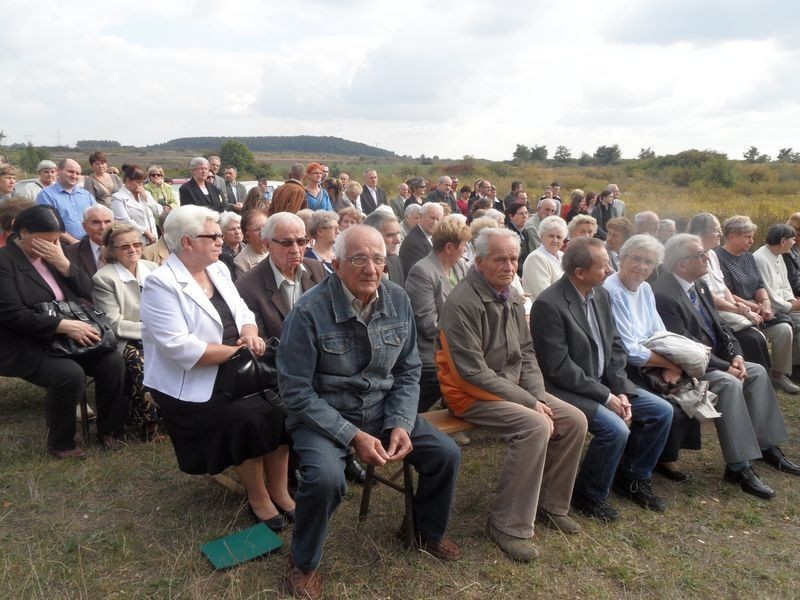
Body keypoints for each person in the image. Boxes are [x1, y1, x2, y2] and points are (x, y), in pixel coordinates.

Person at [277, 225, 462, 598]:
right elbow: (295, 392)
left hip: (381, 409)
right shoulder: (309, 312)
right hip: (323, 417)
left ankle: (423, 531)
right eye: (359, 258)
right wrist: (353, 436)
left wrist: (399, 422)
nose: (370, 268)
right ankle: (305, 562)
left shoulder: (398, 299)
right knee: (326, 479)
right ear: (336, 262)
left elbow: (408, 369)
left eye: (378, 259)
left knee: (446, 454)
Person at [437, 227, 587, 561]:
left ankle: (550, 504)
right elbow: (471, 373)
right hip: (468, 395)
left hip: (513, 389)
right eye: (500, 259)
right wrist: (531, 403)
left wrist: (538, 396)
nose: (509, 265)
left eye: (514, 258)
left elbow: (527, 352)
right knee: (535, 425)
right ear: (478, 262)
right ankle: (506, 524)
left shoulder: (511, 294)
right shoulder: (462, 302)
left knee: (574, 419)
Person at [141, 205, 294, 530]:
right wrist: (234, 352)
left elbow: (242, 311)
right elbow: (179, 348)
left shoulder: (219, 269)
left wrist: (250, 333)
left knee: (286, 403)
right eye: (212, 235)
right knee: (247, 416)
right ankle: (258, 496)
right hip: (193, 380)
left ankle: (280, 490)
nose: (221, 241)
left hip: (239, 365)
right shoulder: (160, 284)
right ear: (187, 242)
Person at [531, 237, 672, 520]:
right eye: (603, 266)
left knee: (661, 411)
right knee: (615, 429)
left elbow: (616, 346)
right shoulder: (549, 304)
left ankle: (632, 477)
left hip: (605, 384)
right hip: (565, 389)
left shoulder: (600, 295)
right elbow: (559, 368)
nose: (609, 271)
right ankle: (590, 494)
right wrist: (606, 397)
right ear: (580, 272)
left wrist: (619, 389)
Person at [652, 234, 800, 499]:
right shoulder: (663, 294)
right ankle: (739, 466)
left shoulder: (700, 285)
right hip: (685, 365)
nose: (706, 256)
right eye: (699, 254)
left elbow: (721, 328)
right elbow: (684, 345)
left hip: (714, 360)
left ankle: (767, 446)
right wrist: (724, 367)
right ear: (681, 264)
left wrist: (737, 357)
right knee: (730, 383)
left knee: (756, 372)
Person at [0, 205, 125, 458]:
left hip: (68, 336)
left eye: (56, 239)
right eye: (46, 240)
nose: (52, 245)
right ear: (23, 232)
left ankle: (110, 430)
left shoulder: (56, 255)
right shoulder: (5, 262)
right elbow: (11, 314)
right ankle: (61, 442)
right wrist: (63, 326)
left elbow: (86, 290)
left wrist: (65, 264)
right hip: (25, 341)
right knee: (69, 374)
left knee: (112, 361)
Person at [603, 235, 700, 481]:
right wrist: (670, 364)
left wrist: (674, 365)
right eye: (636, 259)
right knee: (666, 405)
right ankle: (635, 469)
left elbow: (659, 332)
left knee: (688, 394)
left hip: (650, 361)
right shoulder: (611, 291)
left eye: (648, 262)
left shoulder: (645, 289)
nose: (642, 267)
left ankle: (661, 457)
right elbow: (629, 350)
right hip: (622, 368)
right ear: (621, 259)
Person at [92, 222, 160, 440]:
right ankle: (149, 423)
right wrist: (151, 330)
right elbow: (114, 323)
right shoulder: (104, 278)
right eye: (125, 246)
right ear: (112, 250)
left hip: (158, 333)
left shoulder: (153, 269)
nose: (133, 249)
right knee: (141, 362)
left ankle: (177, 414)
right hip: (126, 340)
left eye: (137, 244)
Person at [715, 216, 796, 392]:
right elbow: (727, 293)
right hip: (736, 310)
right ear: (731, 236)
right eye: (747, 237)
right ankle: (757, 377)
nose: (752, 241)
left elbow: (759, 284)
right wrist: (754, 307)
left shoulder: (748, 257)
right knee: (755, 337)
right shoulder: (719, 258)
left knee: (784, 330)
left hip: (757, 307)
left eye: (752, 236)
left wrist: (765, 304)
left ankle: (779, 374)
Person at [405, 215, 470, 413]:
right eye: (464, 245)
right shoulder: (423, 272)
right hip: (430, 348)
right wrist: (463, 343)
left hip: (456, 341)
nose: (466, 250)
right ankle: (454, 410)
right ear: (449, 247)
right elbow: (427, 324)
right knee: (459, 369)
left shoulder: (460, 266)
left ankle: (458, 409)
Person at [236, 212, 325, 339]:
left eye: (301, 241)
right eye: (286, 243)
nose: (295, 249)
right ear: (267, 245)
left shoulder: (317, 269)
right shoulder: (247, 287)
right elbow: (263, 346)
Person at [754, 223, 800, 373]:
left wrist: (792, 301)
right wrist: (792, 307)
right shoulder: (761, 258)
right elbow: (768, 294)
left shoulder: (778, 255)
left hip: (784, 305)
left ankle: (795, 364)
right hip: (771, 309)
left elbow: (785, 285)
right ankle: (789, 369)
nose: (794, 242)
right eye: (793, 239)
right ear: (782, 241)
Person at [36, 159, 96, 244]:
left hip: (88, 244)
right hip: (62, 247)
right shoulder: (46, 195)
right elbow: (50, 226)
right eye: (70, 172)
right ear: (59, 171)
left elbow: (98, 218)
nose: (74, 176)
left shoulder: (86, 195)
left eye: (78, 173)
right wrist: (75, 243)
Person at [110, 165, 162, 246]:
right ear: (127, 180)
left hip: (153, 241)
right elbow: (124, 220)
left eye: (142, 182)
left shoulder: (146, 194)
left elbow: (159, 212)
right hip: (134, 242)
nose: (140, 185)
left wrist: (147, 198)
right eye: (138, 182)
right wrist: (145, 231)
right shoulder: (118, 197)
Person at [520, 215, 566, 300]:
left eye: (559, 237)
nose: (555, 240)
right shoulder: (536, 258)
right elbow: (545, 294)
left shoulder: (563, 256)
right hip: (544, 309)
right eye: (551, 236)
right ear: (541, 237)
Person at [64, 204, 114, 278]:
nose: (103, 227)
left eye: (107, 222)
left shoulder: (126, 248)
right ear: (84, 226)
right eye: (96, 222)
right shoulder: (70, 252)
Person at [399, 202, 443, 277]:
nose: (435, 222)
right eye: (432, 218)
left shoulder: (430, 237)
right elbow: (422, 274)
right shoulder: (414, 243)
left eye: (438, 219)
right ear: (421, 216)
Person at [364, 208, 405, 285]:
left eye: (398, 234)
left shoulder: (397, 262)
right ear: (371, 235)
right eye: (390, 235)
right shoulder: (357, 266)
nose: (398, 241)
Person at [234, 209, 269, 278]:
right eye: (256, 229)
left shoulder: (276, 249)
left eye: (266, 227)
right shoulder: (241, 262)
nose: (263, 232)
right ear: (246, 236)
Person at [505, 200, 536, 273]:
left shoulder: (525, 232)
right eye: (521, 213)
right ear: (511, 216)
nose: (525, 216)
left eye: (526, 213)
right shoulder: (508, 234)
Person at [218, 211, 243, 279]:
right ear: (223, 233)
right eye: (232, 229)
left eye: (239, 228)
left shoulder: (247, 248)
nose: (237, 232)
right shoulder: (220, 253)